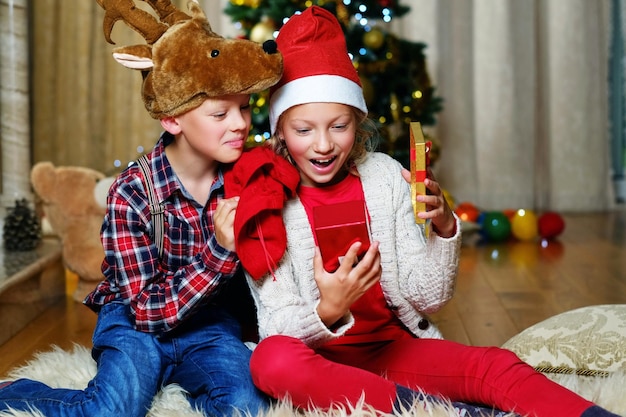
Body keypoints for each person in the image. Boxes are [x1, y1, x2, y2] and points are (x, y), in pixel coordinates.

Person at [230, 6, 621, 417]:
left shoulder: (384, 178)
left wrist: (445, 229)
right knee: (269, 360)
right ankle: (427, 410)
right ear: (279, 129)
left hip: (393, 352)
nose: (323, 145)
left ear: (358, 122)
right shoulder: (264, 198)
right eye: (304, 129)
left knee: (493, 365)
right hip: (319, 364)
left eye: (339, 126)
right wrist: (328, 308)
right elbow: (275, 326)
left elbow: (427, 296)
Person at [0, 1, 283, 416]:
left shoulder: (244, 174)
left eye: (243, 108)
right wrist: (220, 252)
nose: (239, 123)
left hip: (207, 322)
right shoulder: (132, 193)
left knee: (247, 405)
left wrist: (388, 178)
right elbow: (147, 311)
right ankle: (13, 391)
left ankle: (183, 381)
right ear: (172, 119)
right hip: (136, 322)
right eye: (220, 112)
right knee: (110, 410)